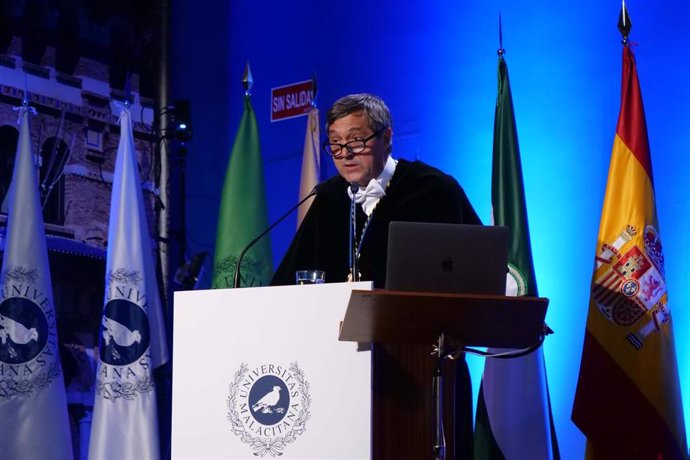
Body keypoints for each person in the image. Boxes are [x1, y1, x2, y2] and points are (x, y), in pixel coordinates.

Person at [271, 93, 481, 288]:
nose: (345, 153)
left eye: (356, 140)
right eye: (336, 143)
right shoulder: (328, 197)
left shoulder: (433, 190)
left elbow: (479, 271)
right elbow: (287, 282)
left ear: (386, 138)